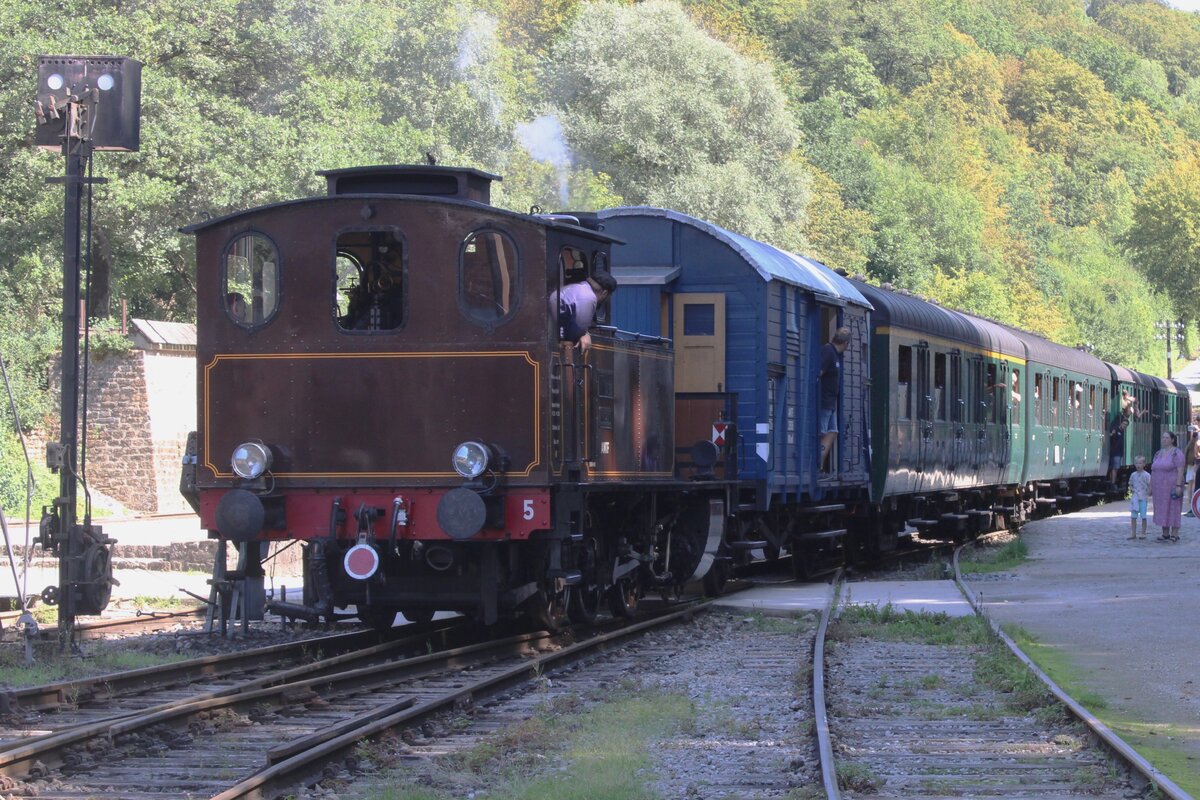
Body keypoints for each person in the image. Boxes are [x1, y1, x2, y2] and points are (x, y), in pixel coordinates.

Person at [550, 271, 617, 353]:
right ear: (604, 293)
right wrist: (584, 334)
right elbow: (579, 327)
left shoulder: (578, 287)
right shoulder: (589, 298)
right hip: (558, 333)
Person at [818, 326, 852, 473]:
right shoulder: (828, 352)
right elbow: (818, 372)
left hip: (830, 402)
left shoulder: (834, 354)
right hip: (824, 401)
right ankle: (816, 467)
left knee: (832, 431)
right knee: (821, 432)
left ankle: (819, 465)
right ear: (846, 344)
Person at [1150, 430, 1187, 542]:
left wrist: (1178, 485)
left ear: (1172, 440)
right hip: (1159, 488)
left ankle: (1174, 534)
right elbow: (1153, 469)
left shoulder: (1177, 453)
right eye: (1163, 437)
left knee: (1173, 508)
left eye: (1166, 438)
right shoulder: (1158, 453)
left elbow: (1180, 470)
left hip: (1172, 486)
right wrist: (1150, 486)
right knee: (1162, 508)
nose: (1164, 439)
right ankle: (1165, 533)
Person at [1128, 456, 1150, 540]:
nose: (1138, 465)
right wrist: (1132, 490)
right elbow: (1130, 483)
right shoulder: (1133, 475)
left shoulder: (1147, 475)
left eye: (1140, 463)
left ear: (1144, 464)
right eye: (1137, 463)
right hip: (1135, 498)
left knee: (1143, 516)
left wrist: (1148, 492)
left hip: (1143, 498)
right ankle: (1133, 533)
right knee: (1133, 516)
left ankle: (1143, 533)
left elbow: (1150, 484)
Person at [1108, 416, 1128, 487]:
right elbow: (1111, 435)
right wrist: (1111, 434)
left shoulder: (1122, 432)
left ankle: (1112, 481)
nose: (1124, 426)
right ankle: (1112, 483)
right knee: (1115, 468)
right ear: (1121, 423)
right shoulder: (1116, 430)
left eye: (1126, 425)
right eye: (1124, 424)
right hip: (1115, 452)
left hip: (1119, 452)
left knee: (1115, 468)